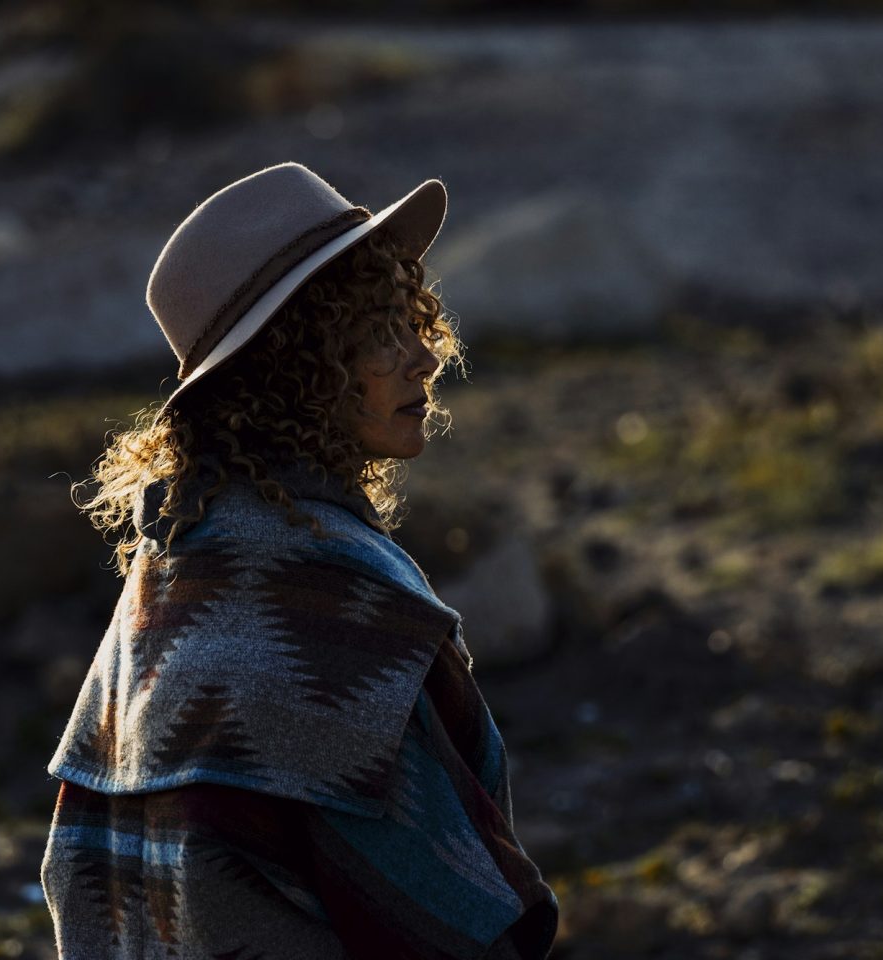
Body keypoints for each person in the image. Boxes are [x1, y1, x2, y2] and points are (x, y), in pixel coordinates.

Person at [40, 162, 559, 959]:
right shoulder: (353, 619)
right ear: (290, 371)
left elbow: (78, 884)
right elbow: (459, 929)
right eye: (379, 332)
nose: (423, 357)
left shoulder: (162, 585)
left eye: (412, 319)